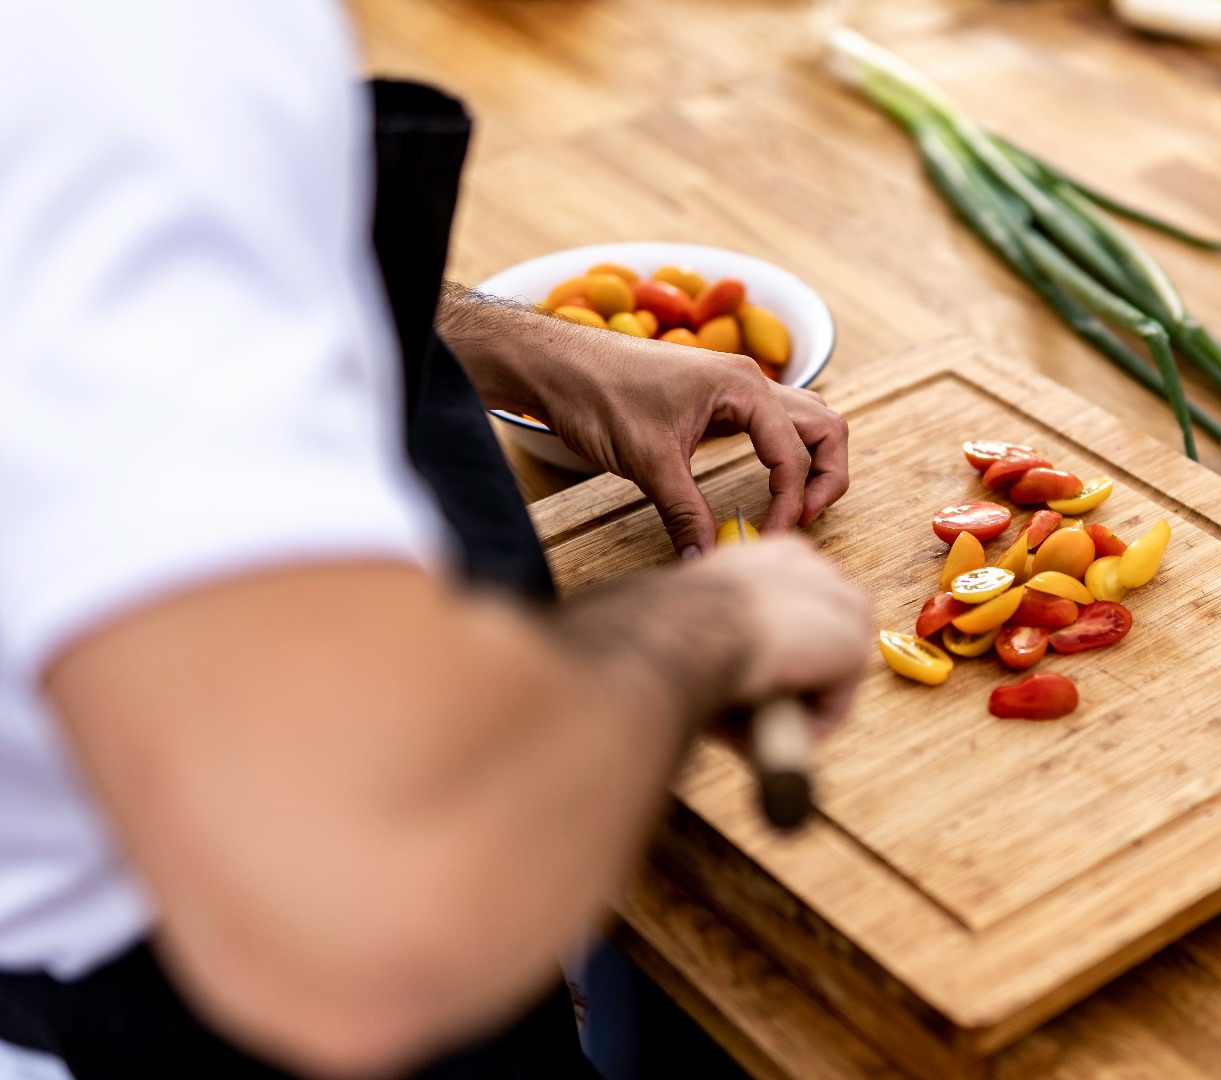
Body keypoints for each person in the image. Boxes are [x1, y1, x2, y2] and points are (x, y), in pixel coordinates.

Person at [0, 3, 869, 1077]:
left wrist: (537, 350)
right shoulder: (140, 46)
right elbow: (364, 902)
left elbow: (121, 275)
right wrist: (706, 626)